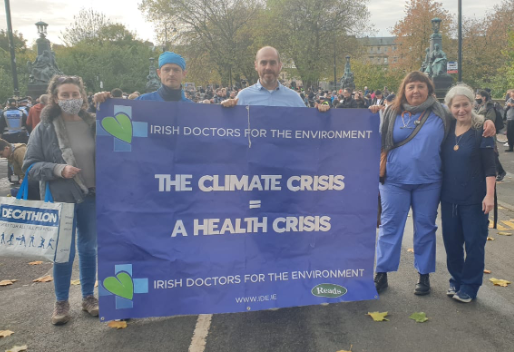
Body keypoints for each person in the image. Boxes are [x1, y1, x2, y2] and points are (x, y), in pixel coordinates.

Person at [371, 71, 495, 296]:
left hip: (428, 182)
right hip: (394, 181)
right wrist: (369, 114)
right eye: (411, 87)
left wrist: (488, 122)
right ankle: (382, 272)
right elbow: (371, 136)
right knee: (390, 227)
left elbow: (465, 113)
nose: (415, 91)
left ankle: (423, 275)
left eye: (420, 86)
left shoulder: (442, 112)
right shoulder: (390, 112)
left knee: (425, 228)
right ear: (404, 90)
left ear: (429, 90)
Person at [23, 75, 98, 325]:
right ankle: (62, 301)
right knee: (63, 251)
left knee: (89, 248)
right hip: (61, 197)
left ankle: (88, 296)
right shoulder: (44, 128)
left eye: (74, 94)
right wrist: (57, 169)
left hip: (92, 196)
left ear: (83, 96)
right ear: (55, 98)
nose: (70, 99)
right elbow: (30, 165)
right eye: (64, 95)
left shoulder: (95, 124)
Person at [441, 84, 496, 303]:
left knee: (474, 244)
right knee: (452, 243)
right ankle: (456, 279)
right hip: (449, 198)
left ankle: (470, 286)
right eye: (456, 106)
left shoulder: (482, 129)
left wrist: (489, 195)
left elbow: (490, 166)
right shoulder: (446, 130)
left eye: (465, 104)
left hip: (474, 198)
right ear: (450, 107)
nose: (461, 109)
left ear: (472, 104)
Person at [221, 46, 328, 111]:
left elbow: (309, 130)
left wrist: (322, 114)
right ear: (256, 65)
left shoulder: (294, 98)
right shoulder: (243, 97)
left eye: (272, 63)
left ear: (280, 66)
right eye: (263, 63)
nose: (268, 67)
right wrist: (224, 110)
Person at [94, 52, 192, 105]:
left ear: (184, 74)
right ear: (159, 73)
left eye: (176, 70)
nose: (171, 74)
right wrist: (105, 100)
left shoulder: (192, 109)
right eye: (166, 70)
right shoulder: (142, 102)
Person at [475, 90, 506, 181]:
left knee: (492, 154)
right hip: (481, 133)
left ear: (483, 98)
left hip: (489, 134)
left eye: (478, 96)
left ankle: (500, 171)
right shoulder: (478, 106)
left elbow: (490, 119)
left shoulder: (490, 107)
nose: (476, 98)